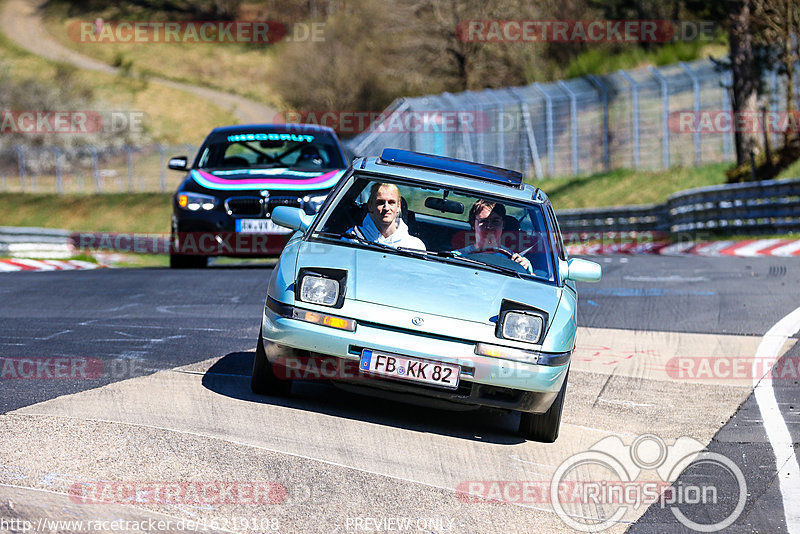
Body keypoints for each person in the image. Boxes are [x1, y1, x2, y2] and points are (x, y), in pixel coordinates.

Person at [455, 199, 531, 272]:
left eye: (495, 221)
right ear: (473, 224)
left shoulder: (518, 262)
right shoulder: (457, 256)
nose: (489, 226)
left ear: (503, 224)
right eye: (484, 221)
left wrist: (525, 271)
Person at [347, 183, 426, 250]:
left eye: (391, 202)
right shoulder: (352, 238)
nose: (386, 208)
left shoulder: (414, 246)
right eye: (380, 202)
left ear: (398, 206)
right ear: (370, 206)